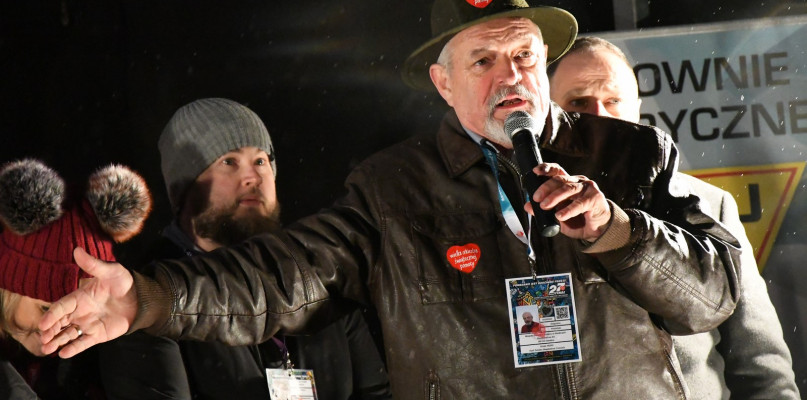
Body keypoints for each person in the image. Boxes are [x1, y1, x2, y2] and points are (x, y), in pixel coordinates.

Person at [38, 1, 743, 398]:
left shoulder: (631, 155)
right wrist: (147, 299)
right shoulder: (392, 189)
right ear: (444, 84)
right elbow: (280, 278)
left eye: (525, 55)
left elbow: (711, 298)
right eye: (483, 60)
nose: (510, 76)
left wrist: (618, 230)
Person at [547, 36, 799, 399]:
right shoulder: (531, 216)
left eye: (613, 100)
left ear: (637, 108)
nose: (599, 115)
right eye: (578, 102)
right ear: (550, 114)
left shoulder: (710, 204)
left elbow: (761, 364)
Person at [98, 98, 392, 400]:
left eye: (261, 161)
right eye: (229, 162)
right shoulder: (145, 296)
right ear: (184, 188)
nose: (254, 177)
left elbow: (378, 393)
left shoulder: (315, 274)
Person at [0, 159, 152, 399]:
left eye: (78, 310)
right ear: (9, 291)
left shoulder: (98, 369)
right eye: (46, 308)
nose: (61, 327)